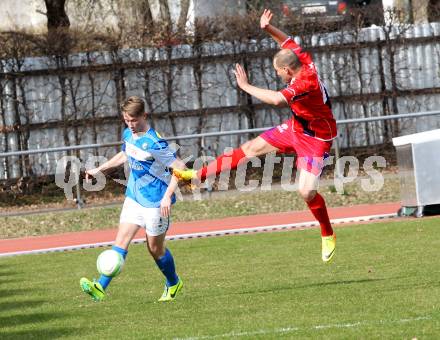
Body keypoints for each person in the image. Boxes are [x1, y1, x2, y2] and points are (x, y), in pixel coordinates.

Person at [173, 9, 337, 263]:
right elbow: (286, 42)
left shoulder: (305, 84)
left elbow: (275, 99)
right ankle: (195, 175)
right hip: (295, 129)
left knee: (306, 192)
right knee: (249, 148)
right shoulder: (301, 59)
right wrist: (267, 28)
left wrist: (245, 86)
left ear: (287, 70)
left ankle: (327, 233)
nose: (277, 75)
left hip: (317, 140)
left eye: (278, 72)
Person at [80, 96, 186, 302]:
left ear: (144, 116)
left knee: (155, 249)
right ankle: (100, 287)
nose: (130, 124)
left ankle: (174, 283)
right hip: (134, 197)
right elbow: (125, 155)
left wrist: (167, 196)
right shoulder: (129, 134)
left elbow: (181, 167)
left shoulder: (155, 143)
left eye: (134, 120)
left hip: (156, 203)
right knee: (121, 241)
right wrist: (99, 169)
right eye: (126, 120)